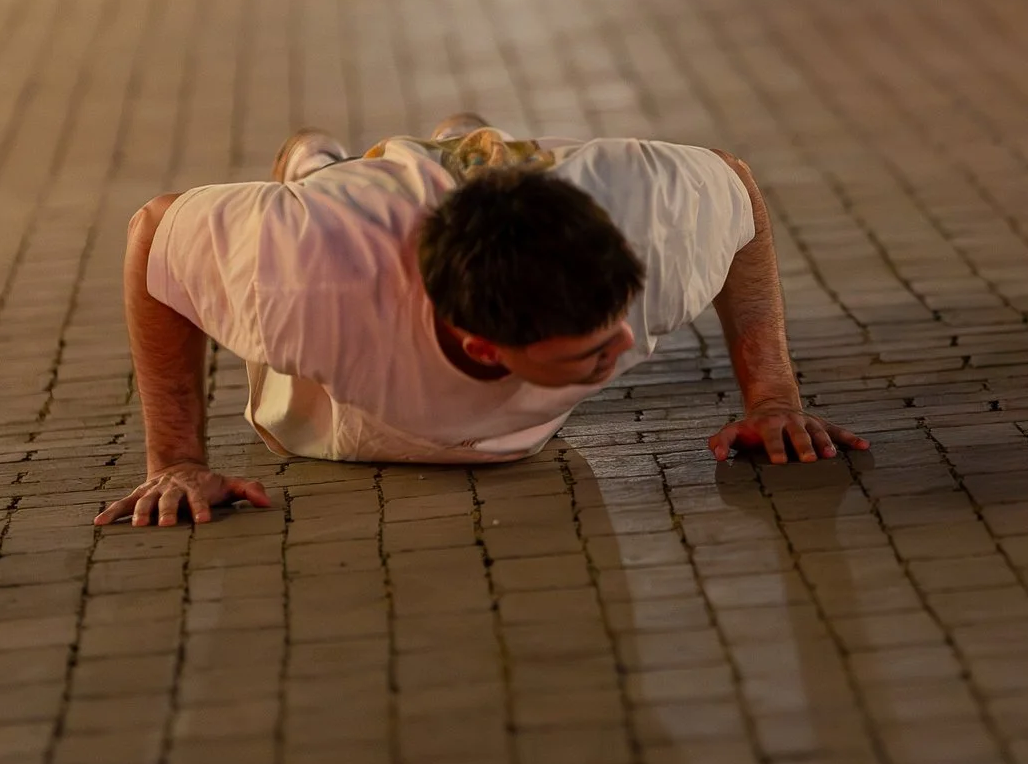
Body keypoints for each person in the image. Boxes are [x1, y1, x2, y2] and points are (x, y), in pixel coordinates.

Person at [97, 116, 865, 527]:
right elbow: (154, 230)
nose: (628, 344)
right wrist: (174, 457)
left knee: (478, 161)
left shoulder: (646, 222)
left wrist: (772, 397)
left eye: (617, 323)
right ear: (478, 344)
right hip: (350, 273)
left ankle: (469, 139)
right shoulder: (308, 280)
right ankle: (317, 166)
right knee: (300, 412)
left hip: (496, 196)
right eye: (593, 352)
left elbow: (733, 181)